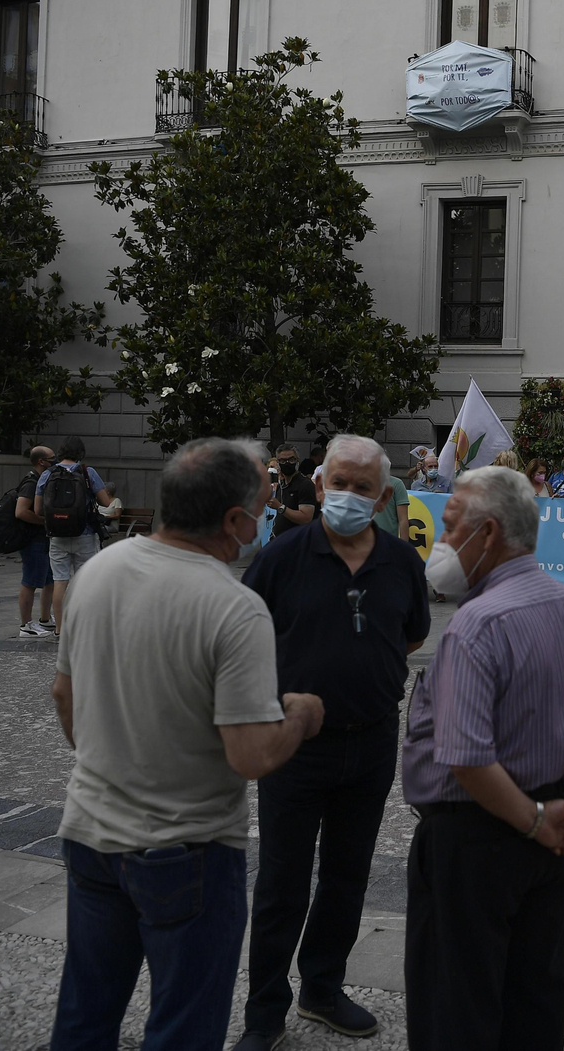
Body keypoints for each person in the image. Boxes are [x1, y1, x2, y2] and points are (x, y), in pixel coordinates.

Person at [47, 438, 324, 1051]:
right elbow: (250, 757)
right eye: (263, 507)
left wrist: (112, 757)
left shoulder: (96, 573)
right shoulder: (234, 609)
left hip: (90, 834)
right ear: (232, 520)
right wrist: (302, 716)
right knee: (184, 1026)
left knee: (85, 1011)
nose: (264, 519)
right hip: (187, 851)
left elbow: (64, 695)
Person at [402, 466, 564, 1050]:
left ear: (489, 533)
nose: (443, 543)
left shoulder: (475, 626)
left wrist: (534, 819)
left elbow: (466, 756)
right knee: (535, 992)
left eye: (451, 528)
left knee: (458, 1001)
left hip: (475, 834)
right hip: (553, 825)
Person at [232, 437, 429, 1049]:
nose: (348, 495)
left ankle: (322, 986)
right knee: (281, 883)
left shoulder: (401, 563)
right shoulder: (281, 557)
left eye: (363, 487)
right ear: (319, 487)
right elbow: (243, 636)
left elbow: (412, 635)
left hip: (370, 743)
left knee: (348, 875)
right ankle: (264, 1010)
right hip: (294, 746)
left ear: (381, 496)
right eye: (338, 483)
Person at [35, 436, 116, 628]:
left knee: (59, 581)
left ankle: (60, 630)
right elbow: (106, 502)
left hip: (57, 536)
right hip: (85, 534)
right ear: (80, 452)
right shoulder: (88, 472)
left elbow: (38, 509)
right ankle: (83, 627)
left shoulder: (48, 474)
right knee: (84, 582)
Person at [15, 445, 58, 638]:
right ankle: (26, 625)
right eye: (52, 458)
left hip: (43, 540)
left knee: (49, 581)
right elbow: (21, 511)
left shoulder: (40, 479)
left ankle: (45, 619)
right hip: (33, 540)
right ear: (41, 461)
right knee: (30, 582)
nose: (55, 460)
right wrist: (44, 521)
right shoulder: (31, 482)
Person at [268, 444, 317, 536]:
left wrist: (280, 507)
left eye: (291, 459)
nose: (287, 463)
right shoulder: (281, 486)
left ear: (297, 461)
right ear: (278, 463)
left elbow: (306, 518)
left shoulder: (305, 485)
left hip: (297, 543)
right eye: (282, 460)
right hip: (279, 541)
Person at [370, 447, 411, 542]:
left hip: (388, 540)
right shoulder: (363, 483)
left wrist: (404, 547)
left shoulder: (397, 484)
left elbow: (403, 519)